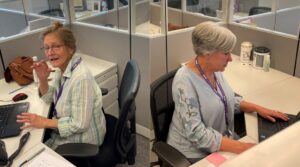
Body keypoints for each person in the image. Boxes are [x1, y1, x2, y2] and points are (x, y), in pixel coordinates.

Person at [167, 21, 289, 164]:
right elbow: (196, 134)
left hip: (222, 141)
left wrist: (258, 108)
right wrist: (241, 147)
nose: (230, 59)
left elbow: (224, 100)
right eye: (226, 53)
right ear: (207, 53)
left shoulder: (214, 70)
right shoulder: (184, 81)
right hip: (195, 153)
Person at [16, 22, 106, 150]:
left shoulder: (81, 77)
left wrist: (44, 122)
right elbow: (49, 98)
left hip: (82, 141)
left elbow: (80, 125)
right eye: (46, 48)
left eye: (56, 46)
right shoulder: (62, 69)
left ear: (70, 48)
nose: (50, 53)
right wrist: (42, 79)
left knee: (30, 153)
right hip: (63, 130)